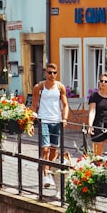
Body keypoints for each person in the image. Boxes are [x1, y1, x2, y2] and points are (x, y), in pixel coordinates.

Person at [30, 62, 70, 190]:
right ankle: (46, 175)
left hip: (56, 120)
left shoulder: (60, 87)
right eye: (49, 72)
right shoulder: (39, 87)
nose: (52, 75)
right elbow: (34, 105)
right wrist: (31, 122)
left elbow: (65, 104)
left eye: (54, 73)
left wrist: (64, 118)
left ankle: (48, 169)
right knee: (45, 149)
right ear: (45, 73)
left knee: (54, 149)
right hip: (44, 120)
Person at [87, 73, 107, 162]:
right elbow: (92, 111)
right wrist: (90, 125)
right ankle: (98, 172)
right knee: (98, 157)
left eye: (105, 81)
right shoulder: (94, 96)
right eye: (101, 81)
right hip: (98, 124)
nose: (103, 83)